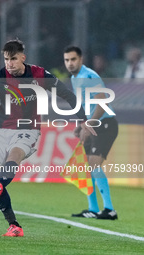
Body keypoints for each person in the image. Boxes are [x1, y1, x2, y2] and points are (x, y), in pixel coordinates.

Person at [0, 39, 96, 237]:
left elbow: (65, 93)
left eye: (13, 59)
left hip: (27, 129)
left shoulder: (39, 74)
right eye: (6, 59)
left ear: (23, 57)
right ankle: (13, 224)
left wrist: (83, 119)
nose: (9, 63)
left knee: (15, 154)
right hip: (0, 130)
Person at [63, 46, 118, 220]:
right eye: (67, 60)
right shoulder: (75, 78)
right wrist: (81, 125)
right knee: (85, 166)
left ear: (81, 59)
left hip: (105, 124)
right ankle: (93, 209)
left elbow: (103, 102)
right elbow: (87, 105)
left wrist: (90, 124)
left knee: (93, 164)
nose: (70, 63)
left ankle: (109, 210)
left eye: (73, 59)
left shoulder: (89, 76)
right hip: (95, 124)